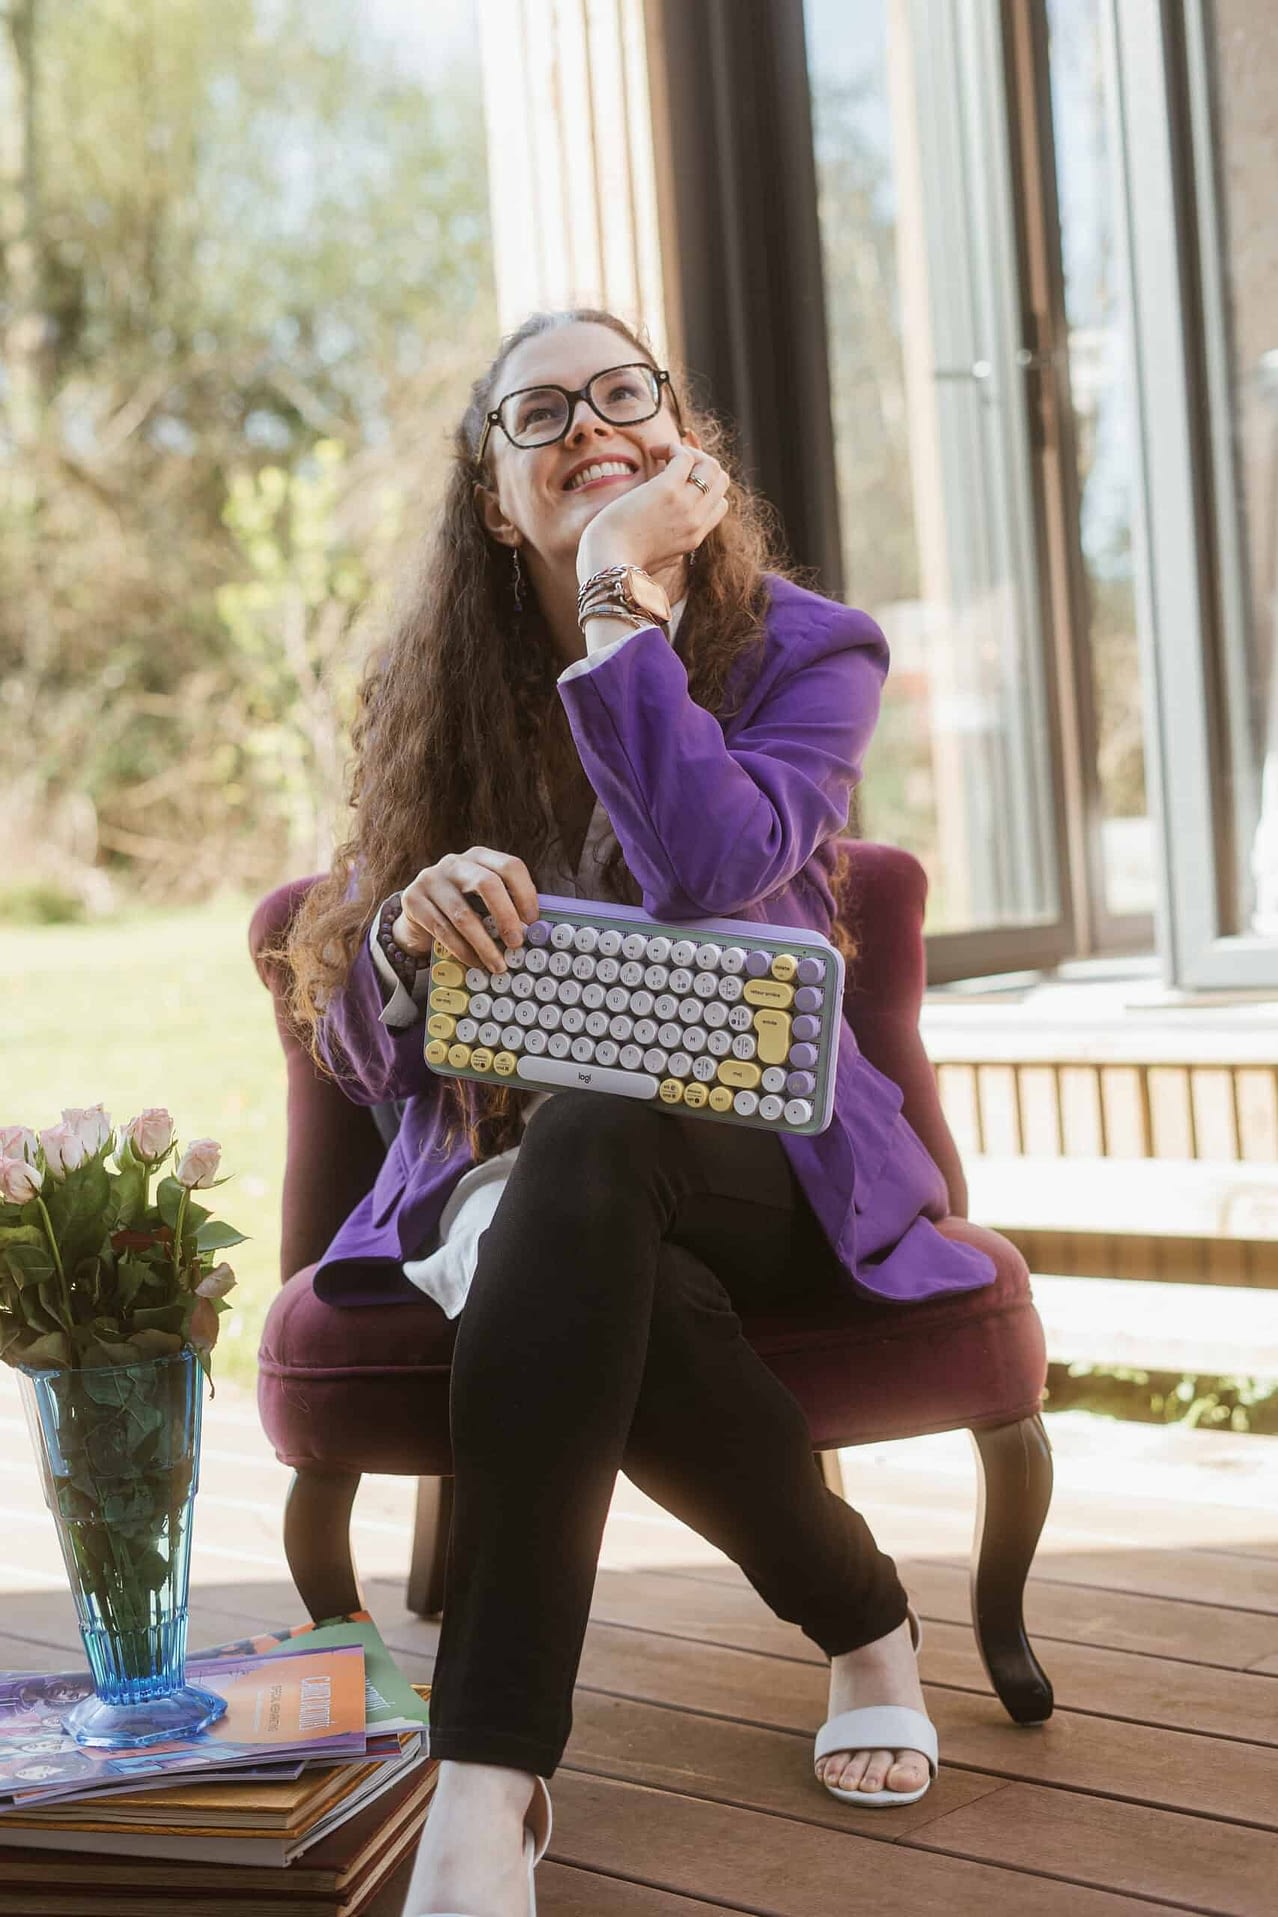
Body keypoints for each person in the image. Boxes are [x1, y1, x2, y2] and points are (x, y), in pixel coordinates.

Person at [281, 308, 997, 1917]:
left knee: (599, 1133)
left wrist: (620, 603)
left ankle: (484, 1771)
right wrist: (406, 926)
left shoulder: (812, 650)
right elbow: (352, 1033)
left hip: (764, 1160)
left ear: (679, 443)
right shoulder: (429, 693)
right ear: (487, 492)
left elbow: (704, 868)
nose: (589, 424)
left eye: (624, 394)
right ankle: (836, 1629)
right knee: (576, 1190)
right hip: (530, 1187)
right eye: (541, 412)